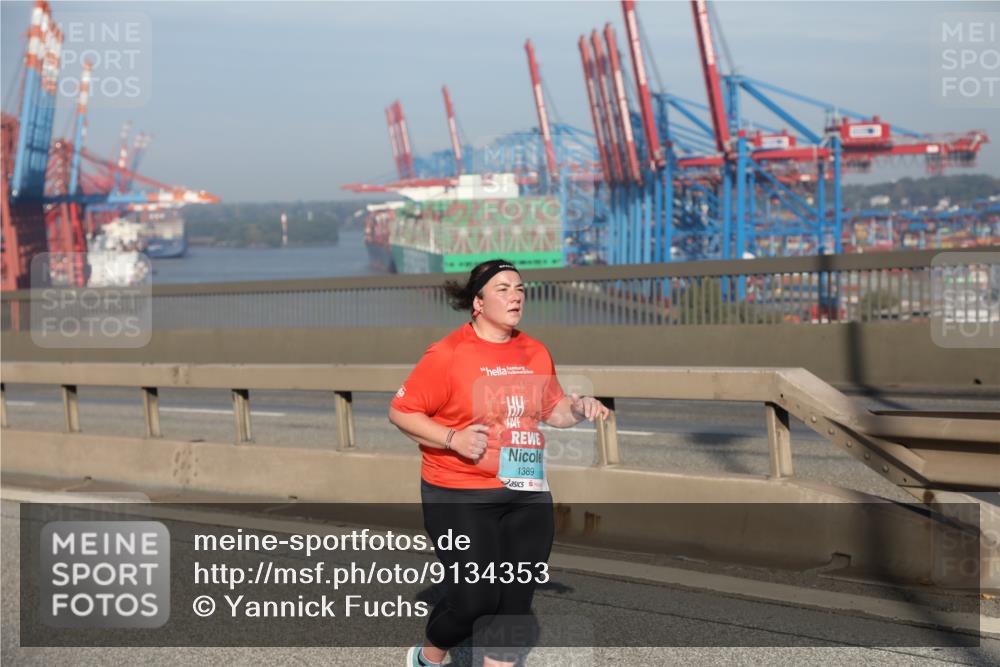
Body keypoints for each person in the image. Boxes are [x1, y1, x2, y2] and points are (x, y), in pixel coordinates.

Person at [388, 258, 610, 667]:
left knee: (513, 604)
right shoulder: (449, 354)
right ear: (478, 302)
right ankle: (429, 656)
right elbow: (402, 411)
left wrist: (579, 407)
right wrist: (452, 438)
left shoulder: (534, 350)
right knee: (476, 601)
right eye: (503, 289)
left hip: (527, 493)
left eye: (520, 288)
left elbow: (553, 410)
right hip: (458, 494)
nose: (515, 296)